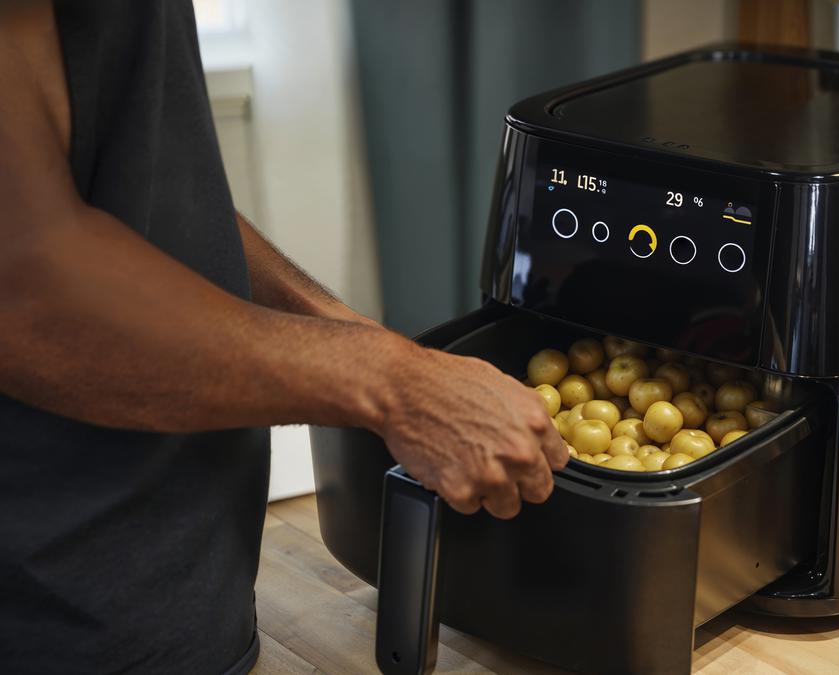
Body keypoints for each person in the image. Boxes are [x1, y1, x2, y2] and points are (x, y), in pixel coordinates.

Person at [0, 1, 567, 672]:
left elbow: (142, 195)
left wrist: (349, 331)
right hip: (59, 620)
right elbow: (27, 292)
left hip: (188, 613)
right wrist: (390, 381)